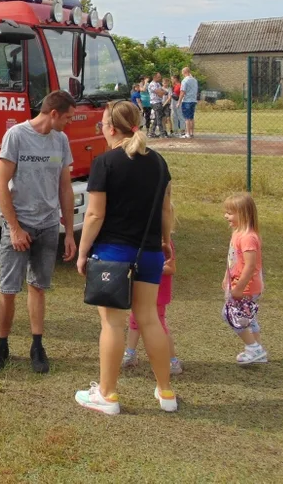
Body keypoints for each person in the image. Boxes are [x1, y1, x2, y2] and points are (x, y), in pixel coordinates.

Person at [75, 100, 177, 415]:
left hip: (112, 254)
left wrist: (81, 253)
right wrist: (165, 241)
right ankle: (166, 392)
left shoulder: (105, 163)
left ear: (111, 128)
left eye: (102, 123)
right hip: (149, 253)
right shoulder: (159, 162)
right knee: (150, 320)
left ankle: (107, 395)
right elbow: (166, 209)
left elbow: (93, 215)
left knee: (112, 324)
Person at [0, 91, 77, 375]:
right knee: (8, 288)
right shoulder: (16, 136)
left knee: (38, 287)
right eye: (68, 117)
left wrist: (70, 232)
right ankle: (1, 345)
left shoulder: (61, 140)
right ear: (53, 113)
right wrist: (14, 228)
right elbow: (1, 185)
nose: (69, 123)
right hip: (20, 224)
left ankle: (37, 345)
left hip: (48, 225)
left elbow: (65, 187)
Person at [123, 215, 182, 375]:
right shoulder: (141, 242)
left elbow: (171, 268)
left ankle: (172, 361)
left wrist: (151, 267)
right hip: (141, 291)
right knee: (134, 321)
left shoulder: (165, 243)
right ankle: (130, 353)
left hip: (157, 293)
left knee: (159, 325)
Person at [222, 192, 267, 365]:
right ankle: (258, 351)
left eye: (230, 212)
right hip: (241, 285)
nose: (226, 216)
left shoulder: (248, 237)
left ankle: (253, 348)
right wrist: (227, 277)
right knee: (249, 318)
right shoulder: (238, 233)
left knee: (230, 315)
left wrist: (239, 287)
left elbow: (250, 266)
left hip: (247, 287)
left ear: (244, 214)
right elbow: (233, 260)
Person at [180, 67, 199, 139]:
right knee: (191, 118)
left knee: (187, 118)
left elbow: (182, 92)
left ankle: (187, 133)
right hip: (193, 100)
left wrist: (179, 101)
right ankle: (191, 133)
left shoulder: (184, 81)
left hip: (186, 100)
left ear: (184, 72)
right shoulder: (194, 80)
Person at [148, 74, 168, 138]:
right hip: (155, 102)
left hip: (159, 102)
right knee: (159, 117)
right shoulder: (151, 84)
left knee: (157, 117)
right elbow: (159, 92)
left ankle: (152, 132)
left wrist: (162, 92)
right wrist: (162, 92)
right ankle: (162, 133)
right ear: (154, 77)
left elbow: (164, 92)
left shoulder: (158, 84)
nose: (160, 78)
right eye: (158, 77)